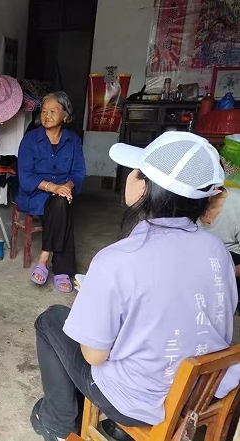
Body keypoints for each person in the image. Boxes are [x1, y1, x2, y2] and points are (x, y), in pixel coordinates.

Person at [30, 131, 240, 441]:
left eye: (135, 171)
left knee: (50, 321)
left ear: (143, 187)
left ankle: (58, 424)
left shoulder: (116, 260)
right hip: (202, 391)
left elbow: (93, 357)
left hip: (137, 403)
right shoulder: (217, 250)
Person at [16, 91, 86, 292]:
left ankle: (44, 257)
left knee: (61, 202)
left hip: (63, 193)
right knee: (61, 206)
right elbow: (26, 176)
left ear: (65, 115)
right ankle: (61, 269)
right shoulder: (30, 140)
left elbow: (79, 172)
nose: (46, 115)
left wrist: (68, 186)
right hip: (35, 195)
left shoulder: (73, 141)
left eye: (53, 111)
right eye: (44, 111)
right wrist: (54, 187)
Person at [199, 185, 240, 313]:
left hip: (231, 260)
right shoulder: (186, 201)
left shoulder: (236, 205)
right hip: (202, 254)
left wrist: (221, 278)